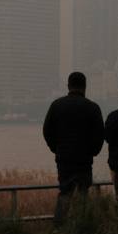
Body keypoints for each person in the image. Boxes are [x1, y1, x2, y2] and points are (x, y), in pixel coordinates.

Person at [43, 71, 105, 223]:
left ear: (68, 86)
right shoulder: (93, 108)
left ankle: (59, 228)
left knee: (65, 192)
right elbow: (100, 135)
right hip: (84, 159)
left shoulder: (56, 105)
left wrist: (56, 148)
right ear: (85, 86)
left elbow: (47, 130)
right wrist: (93, 151)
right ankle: (82, 226)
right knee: (83, 193)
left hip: (64, 158)